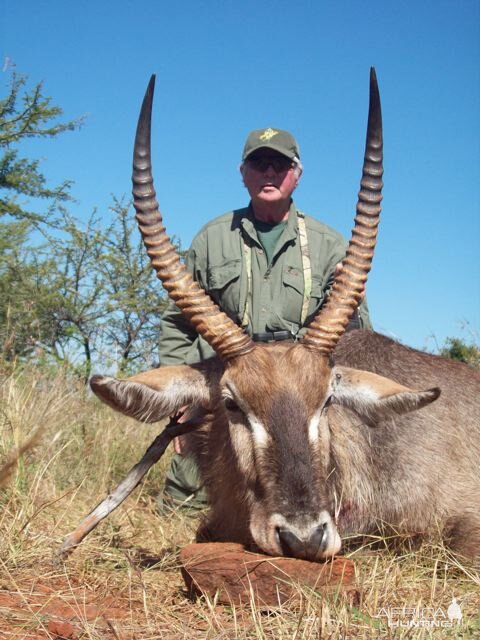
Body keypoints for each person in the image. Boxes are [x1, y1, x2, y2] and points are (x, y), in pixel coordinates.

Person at [158, 127, 371, 510]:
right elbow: (177, 322)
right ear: (243, 173)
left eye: (281, 164)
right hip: (231, 382)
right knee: (185, 503)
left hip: (297, 391)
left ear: (297, 174)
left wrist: (348, 302)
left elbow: (360, 338)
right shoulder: (212, 238)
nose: (269, 172)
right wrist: (177, 397)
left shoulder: (330, 244)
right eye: (259, 163)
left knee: (322, 490)